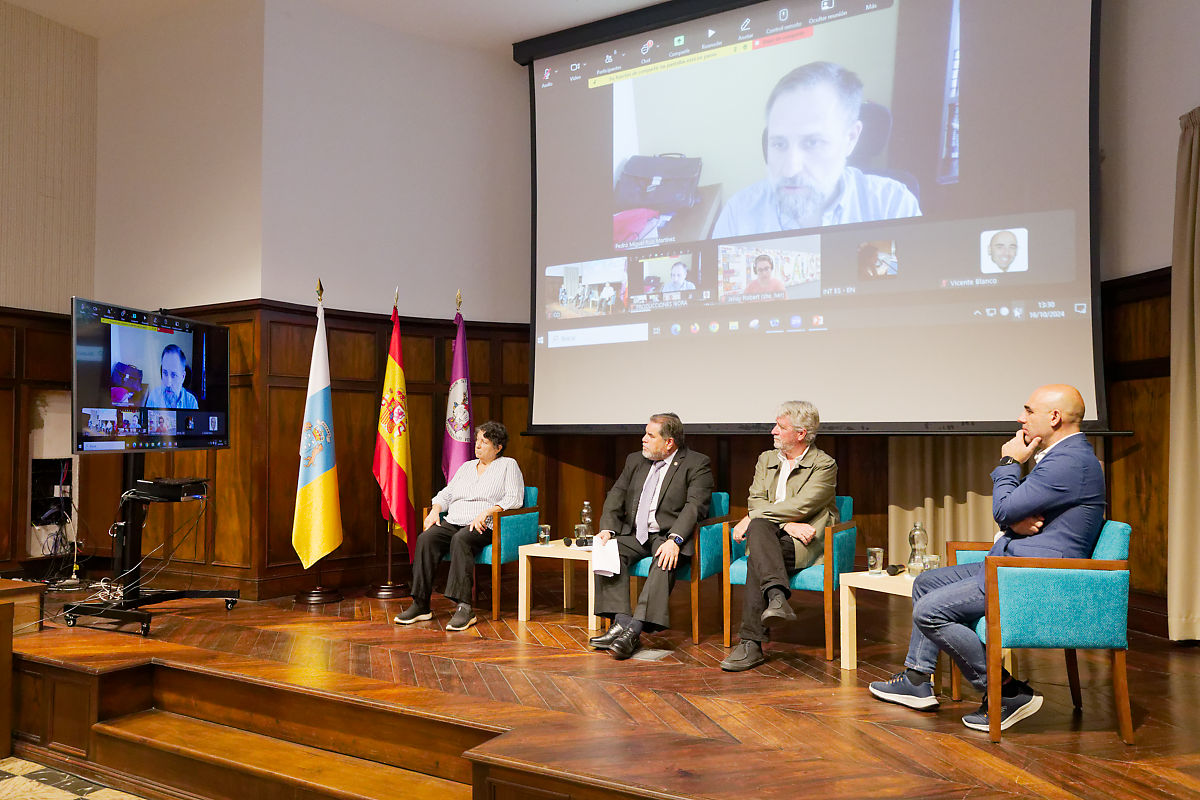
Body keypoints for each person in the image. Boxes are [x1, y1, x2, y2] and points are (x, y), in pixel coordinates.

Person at [868, 385, 1105, 732]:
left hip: (1035, 575)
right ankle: (918, 679)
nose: (1021, 418)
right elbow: (1014, 511)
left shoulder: (1068, 462)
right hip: (1014, 563)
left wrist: (1009, 462)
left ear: (1054, 418)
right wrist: (1014, 519)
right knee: (926, 582)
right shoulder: (1063, 456)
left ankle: (1006, 692)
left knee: (929, 610)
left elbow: (1003, 508)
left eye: (1028, 410)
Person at [712, 61, 921, 239]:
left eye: (812, 143)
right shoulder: (737, 216)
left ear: (850, 138)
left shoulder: (893, 207)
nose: (790, 170)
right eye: (779, 144)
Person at [720, 400, 838, 672]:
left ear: (800, 434)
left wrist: (758, 518)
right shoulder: (766, 459)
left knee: (757, 547)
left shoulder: (824, 464)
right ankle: (776, 597)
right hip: (775, 534)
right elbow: (754, 499)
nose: (773, 431)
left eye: (780, 427)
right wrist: (783, 524)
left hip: (805, 539)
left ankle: (751, 643)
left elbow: (803, 506)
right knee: (760, 531)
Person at [587, 413, 713, 659]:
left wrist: (675, 539)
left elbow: (695, 506)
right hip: (635, 534)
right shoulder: (635, 460)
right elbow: (617, 493)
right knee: (606, 548)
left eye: (650, 435)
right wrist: (608, 528)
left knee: (665, 557)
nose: (643, 439)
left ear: (669, 442)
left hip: (666, 535)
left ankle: (634, 630)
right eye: (645, 433)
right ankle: (621, 622)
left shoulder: (696, 463)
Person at [394, 421, 524, 631]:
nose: (478, 445)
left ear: (498, 447)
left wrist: (488, 511)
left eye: (485, 442)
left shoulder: (508, 465)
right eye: (477, 441)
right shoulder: (466, 467)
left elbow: (514, 498)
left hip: (485, 525)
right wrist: (436, 509)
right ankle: (420, 604)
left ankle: (464, 608)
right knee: (427, 538)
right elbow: (447, 494)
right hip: (454, 520)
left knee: (461, 539)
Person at [143, 344, 199, 409]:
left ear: (183, 377)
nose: (168, 383)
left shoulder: (191, 402)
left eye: (174, 375)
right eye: (165, 373)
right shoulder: (154, 397)